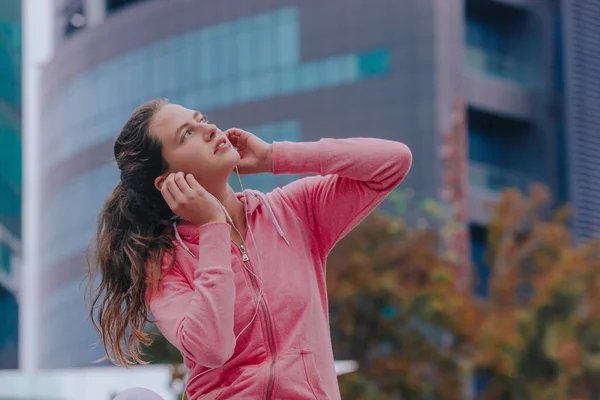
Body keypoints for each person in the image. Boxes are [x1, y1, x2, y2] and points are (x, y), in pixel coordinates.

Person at [88, 98, 412, 400]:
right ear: (168, 181)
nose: (209, 129)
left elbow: (393, 162)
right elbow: (211, 348)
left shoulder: (293, 212)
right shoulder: (164, 264)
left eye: (202, 120)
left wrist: (275, 157)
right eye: (187, 134)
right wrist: (213, 226)